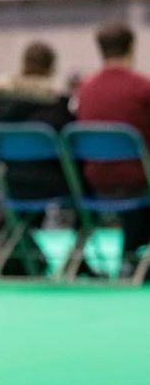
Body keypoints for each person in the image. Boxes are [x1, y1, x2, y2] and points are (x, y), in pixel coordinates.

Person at [0, 41, 88, 276]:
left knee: (16, 215)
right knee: (85, 185)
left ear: (23, 65)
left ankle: (24, 257)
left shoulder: (1, 107)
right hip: (55, 185)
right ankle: (79, 259)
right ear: (52, 68)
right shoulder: (59, 106)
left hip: (12, 184)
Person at [76, 22, 150, 276]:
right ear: (132, 47)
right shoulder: (143, 87)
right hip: (138, 180)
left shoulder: (84, 89)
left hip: (94, 182)